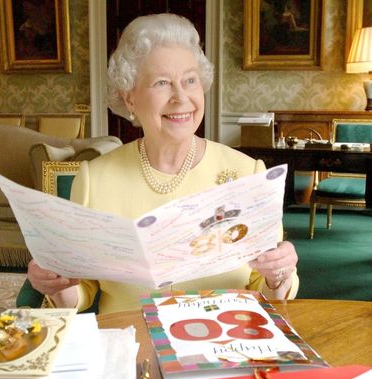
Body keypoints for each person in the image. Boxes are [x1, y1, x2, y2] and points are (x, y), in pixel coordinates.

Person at [27, 13, 299, 315]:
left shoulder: (248, 173)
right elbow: (83, 289)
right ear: (130, 98)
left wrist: (279, 275)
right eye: (161, 83)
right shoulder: (95, 179)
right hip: (131, 344)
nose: (181, 97)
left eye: (190, 80)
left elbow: (267, 288)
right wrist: (57, 284)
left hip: (223, 343)